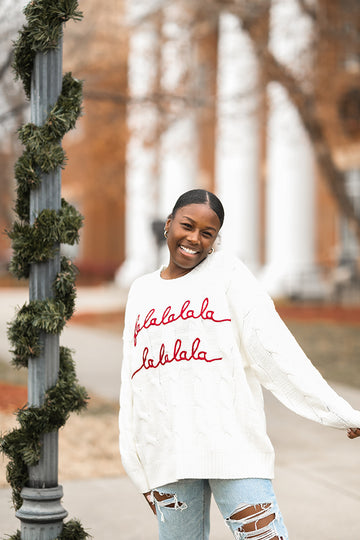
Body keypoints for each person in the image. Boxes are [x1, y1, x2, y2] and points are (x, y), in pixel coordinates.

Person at [119, 189, 360, 540]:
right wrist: (137, 466)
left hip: (232, 450)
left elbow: (276, 349)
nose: (194, 239)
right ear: (169, 224)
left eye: (207, 233)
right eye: (187, 225)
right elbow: (133, 382)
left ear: (216, 241)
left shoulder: (227, 275)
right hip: (167, 456)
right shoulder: (140, 291)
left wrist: (337, 412)